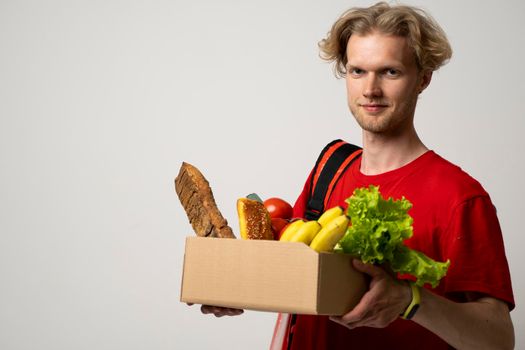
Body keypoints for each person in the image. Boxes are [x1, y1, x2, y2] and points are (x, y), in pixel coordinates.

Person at [197, 2, 515, 349]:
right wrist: (235, 286)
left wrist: (410, 301)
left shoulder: (459, 196)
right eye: (357, 71)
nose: (370, 89)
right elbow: (301, 280)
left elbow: (498, 339)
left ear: (423, 78)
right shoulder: (330, 168)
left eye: (390, 72)